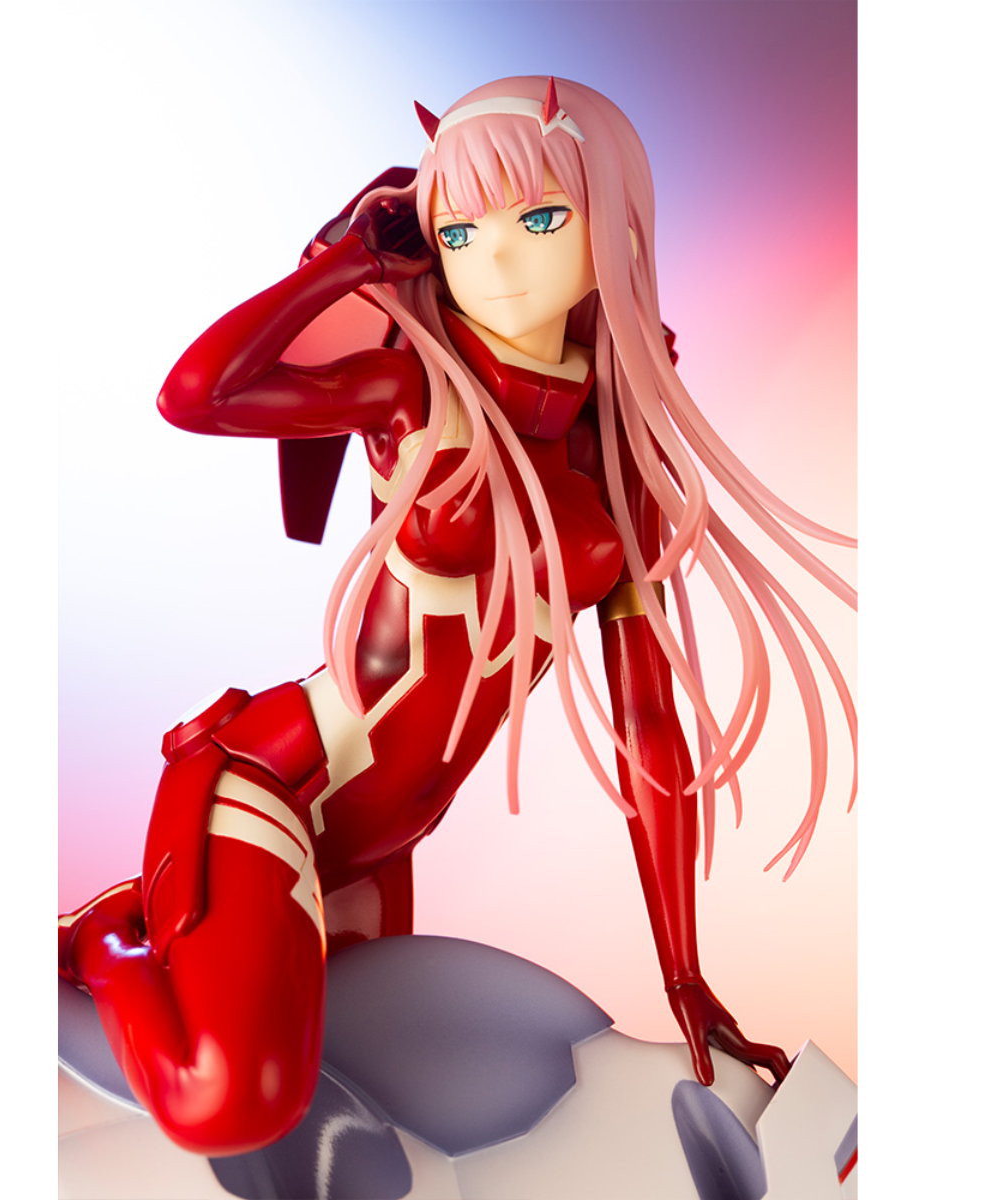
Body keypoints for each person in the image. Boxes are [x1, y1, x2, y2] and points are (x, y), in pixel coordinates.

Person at [59, 76, 856, 1156]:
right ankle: (107, 940)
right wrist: (347, 267)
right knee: (232, 1107)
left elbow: (648, 731)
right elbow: (195, 396)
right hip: (278, 788)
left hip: (383, 847)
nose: (499, 260)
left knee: (384, 1123)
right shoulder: (413, 397)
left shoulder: (617, 463)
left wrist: (683, 972)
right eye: (460, 232)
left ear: (617, 230)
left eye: (541, 219)